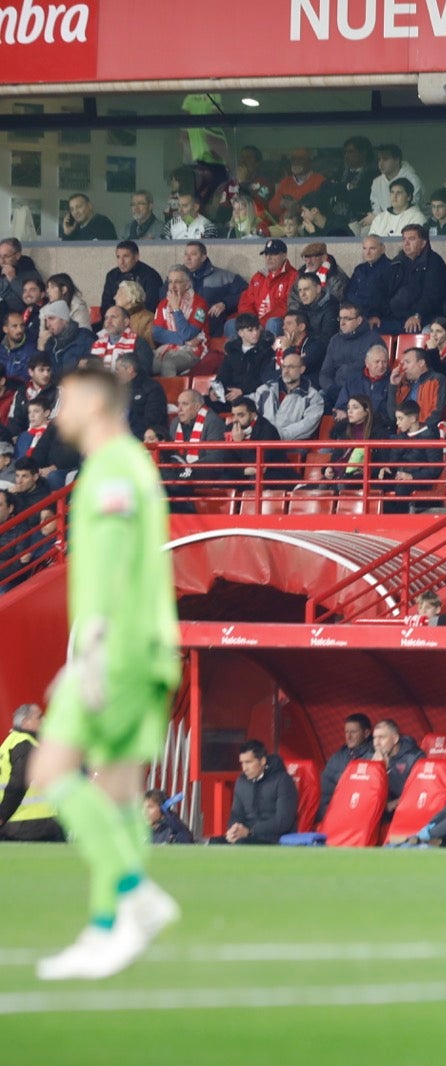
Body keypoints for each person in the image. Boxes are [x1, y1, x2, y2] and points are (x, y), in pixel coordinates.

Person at [25, 364, 180, 979]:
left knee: (51, 768)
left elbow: (113, 566)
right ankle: (108, 927)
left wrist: (86, 650)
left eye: (63, 399)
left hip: (116, 651)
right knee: (118, 791)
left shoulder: (113, 470)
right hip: (141, 650)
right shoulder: (133, 467)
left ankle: (134, 894)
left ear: (93, 401)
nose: (56, 411)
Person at [210, 740, 298, 847]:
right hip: (247, 836)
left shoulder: (283, 781)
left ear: (262, 761)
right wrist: (233, 829)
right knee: (214, 842)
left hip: (273, 838)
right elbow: (236, 814)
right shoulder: (241, 782)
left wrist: (250, 831)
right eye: (242, 763)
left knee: (242, 844)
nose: (244, 768)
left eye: (248, 762)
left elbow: (283, 821)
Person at [0, 703, 61, 841]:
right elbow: (18, 783)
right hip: (32, 825)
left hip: (19, 823)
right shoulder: (24, 745)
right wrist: (2, 815)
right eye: (39, 717)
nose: (43, 720)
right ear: (25, 722)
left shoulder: (9, 743)